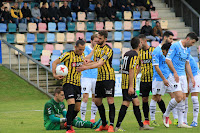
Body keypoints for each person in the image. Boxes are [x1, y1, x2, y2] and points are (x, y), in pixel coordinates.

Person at [77, 31, 116, 132]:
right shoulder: (97, 47)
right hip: (99, 78)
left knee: (110, 100)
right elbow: (95, 61)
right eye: (97, 38)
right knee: (97, 101)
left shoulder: (108, 50)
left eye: (100, 38)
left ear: (105, 39)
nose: (98, 40)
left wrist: (85, 67)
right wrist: (88, 62)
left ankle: (111, 125)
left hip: (108, 77)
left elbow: (100, 63)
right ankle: (104, 124)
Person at [115, 37, 154, 131]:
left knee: (136, 102)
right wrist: (131, 86)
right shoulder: (135, 55)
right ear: (139, 44)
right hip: (128, 83)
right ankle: (117, 126)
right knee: (126, 102)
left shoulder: (127, 53)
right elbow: (131, 69)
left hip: (125, 81)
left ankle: (141, 125)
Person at [163, 32, 198, 128]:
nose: (192, 44)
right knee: (178, 97)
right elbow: (167, 59)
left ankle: (181, 122)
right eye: (192, 42)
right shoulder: (175, 46)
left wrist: (191, 78)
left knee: (183, 98)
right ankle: (166, 114)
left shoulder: (188, 50)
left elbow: (187, 64)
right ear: (188, 39)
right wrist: (174, 72)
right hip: (174, 75)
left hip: (183, 76)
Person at [52, 39, 86, 133]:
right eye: (80, 49)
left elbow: (84, 63)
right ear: (75, 47)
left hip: (78, 85)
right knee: (71, 103)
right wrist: (55, 75)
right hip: (68, 83)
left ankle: (68, 121)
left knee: (77, 108)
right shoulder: (67, 55)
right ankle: (69, 128)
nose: (81, 51)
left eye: (83, 49)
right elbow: (55, 62)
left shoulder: (82, 55)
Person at [150, 31, 179, 126]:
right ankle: (153, 120)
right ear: (165, 37)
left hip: (169, 76)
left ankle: (175, 118)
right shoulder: (156, 51)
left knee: (174, 96)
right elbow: (156, 67)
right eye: (170, 38)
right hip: (159, 78)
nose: (171, 41)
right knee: (156, 97)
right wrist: (163, 79)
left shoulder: (170, 50)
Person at [80, 34, 98, 123]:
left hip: (96, 76)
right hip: (86, 76)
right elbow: (86, 60)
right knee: (85, 96)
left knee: (95, 97)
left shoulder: (100, 49)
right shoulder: (86, 49)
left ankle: (92, 118)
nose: (97, 43)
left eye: (98, 41)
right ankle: (82, 118)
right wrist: (93, 51)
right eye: (95, 41)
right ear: (91, 41)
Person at [138, 34, 155, 125]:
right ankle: (147, 119)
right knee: (144, 99)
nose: (139, 44)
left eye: (141, 42)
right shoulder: (139, 53)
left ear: (145, 41)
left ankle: (165, 115)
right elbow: (138, 66)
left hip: (154, 79)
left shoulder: (153, 50)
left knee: (158, 98)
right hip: (144, 80)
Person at [184, 55, 200, 127]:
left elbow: (187, 70)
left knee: (194, 98)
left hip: (195, 76)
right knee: (185, 98)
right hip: (187, 77)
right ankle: (184, 120)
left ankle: (195, 121)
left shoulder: (185, 55)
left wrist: (187, 85)